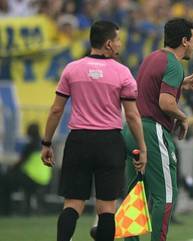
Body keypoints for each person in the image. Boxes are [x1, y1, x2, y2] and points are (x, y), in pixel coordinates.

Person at [40, 20, 147, 241]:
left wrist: (47, 143)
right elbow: (133, 116)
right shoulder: (122, 73)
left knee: (72, 204)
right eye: (117, 40)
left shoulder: (72, 69)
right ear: (108, 43)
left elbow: (55, 110)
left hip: (78, 140)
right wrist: (142, 148)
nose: (119, 44)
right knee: (107, 207)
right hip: (109, 142)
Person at [122, 17, 193, 241]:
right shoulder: (174, 64)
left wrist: (180, 84)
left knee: (136, 194)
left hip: (132, 129)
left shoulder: (153, 57)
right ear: (185, 41)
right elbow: (165, 103)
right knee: (166, 195)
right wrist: (183, 116)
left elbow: (151, 89)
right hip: (152, 131)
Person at [5, 123, 51, 215]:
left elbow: (20, 162)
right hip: (46, 178)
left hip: (33, 177)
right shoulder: (46, 145)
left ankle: (13, 208)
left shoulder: (31, 145)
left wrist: (10, 170)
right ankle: (35, 208)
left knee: (8, 178)